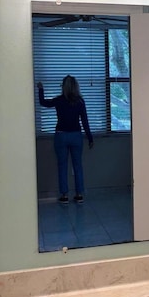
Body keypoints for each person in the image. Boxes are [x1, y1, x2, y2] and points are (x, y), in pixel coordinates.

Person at [37, 75, 94, 204]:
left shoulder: (59, 100)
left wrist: (40, 89)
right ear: (76, 87)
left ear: (63, 87)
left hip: (61, 135)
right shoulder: (80, 101)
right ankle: (79, 194)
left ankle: (64, 195)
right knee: (77, 165)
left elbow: (43, 102)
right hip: (76, 135)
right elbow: (85, 121)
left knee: (62, 166)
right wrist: (90, 138)